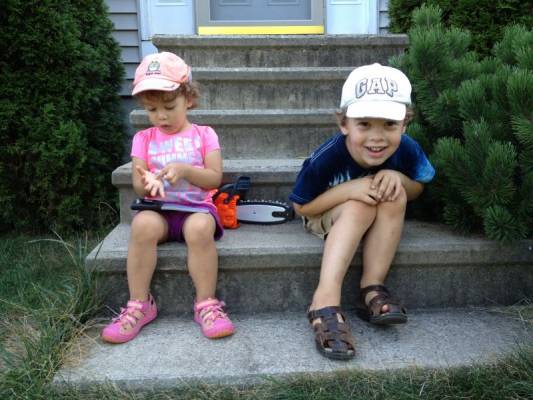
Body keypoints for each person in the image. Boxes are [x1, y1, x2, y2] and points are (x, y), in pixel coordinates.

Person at [289, 63, 435, 360]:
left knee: (395, 193)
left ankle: (372, 286)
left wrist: (399, 178)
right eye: (364, 124)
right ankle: (324, 299)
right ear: (344, 123)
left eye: (389, 124)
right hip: (323, 212)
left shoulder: (407, 149)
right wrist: (349, 190)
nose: (377, 138)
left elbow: (418, 189)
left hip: (376, 215)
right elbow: (301, 206)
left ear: (405, 124)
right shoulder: (328, 157)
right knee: (360, 204)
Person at [101, 52, 234, 343]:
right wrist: (147, 183)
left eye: (169, 106)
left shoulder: (204, 135)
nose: (161, 116)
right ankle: (139, 304)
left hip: (196, 209)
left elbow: (214, 178)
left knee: (199, 228)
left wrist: (185, 170)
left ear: (189, 98)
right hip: (159, 211)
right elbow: (139, 186)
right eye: (151, 109)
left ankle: (206, 304)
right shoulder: (143, 139)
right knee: (142, 225)